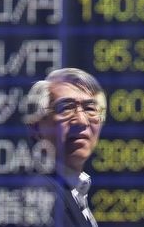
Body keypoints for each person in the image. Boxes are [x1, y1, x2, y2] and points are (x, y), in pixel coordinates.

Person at [24, 68, 106, 227]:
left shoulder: (76, 190)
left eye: (90, 108)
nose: (82, 120)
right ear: (35, 126)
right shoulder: (36, 199)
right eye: (66, 108)